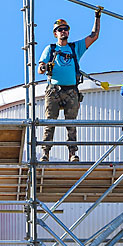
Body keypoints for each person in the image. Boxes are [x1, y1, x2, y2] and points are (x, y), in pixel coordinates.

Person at [37, 12, 101, 162]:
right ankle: (45, 153)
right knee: (49, 122)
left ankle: (72, 153)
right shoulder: (50, 49)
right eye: (60, 29)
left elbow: (94, 35)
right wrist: (45, 66)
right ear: (55, 33)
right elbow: (40, 68)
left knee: (71, 123)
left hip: (71, 90)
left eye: (65, 29)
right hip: (54, 90)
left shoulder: (75, 48)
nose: (63, 31)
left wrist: (97, 17)